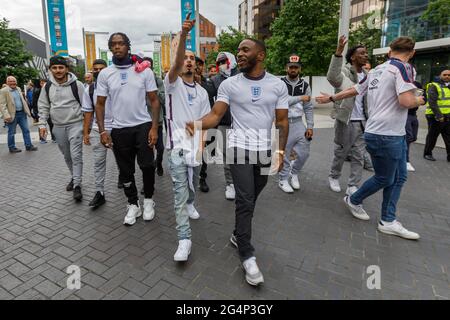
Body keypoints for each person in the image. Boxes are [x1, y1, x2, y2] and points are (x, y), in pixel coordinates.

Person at [187, 38, 289, 286]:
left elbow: (283, 121)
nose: (239, 54)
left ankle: (237, 233)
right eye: (238, 50)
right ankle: (247, 253)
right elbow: (216, 114)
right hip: (238, 148)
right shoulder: (230, 84)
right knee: (244, 199)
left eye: (245, 50)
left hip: (265, 149)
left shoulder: (277, 85)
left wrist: (280, 152)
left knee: (253, 194)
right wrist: (196, 124)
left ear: (261, 55)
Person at [316, 36, 425, 240]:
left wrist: (331, 98)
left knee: (399, 177)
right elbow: (405, 101)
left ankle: (387, 219)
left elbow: (356, 89)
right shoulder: (404, 68)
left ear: (390, 50)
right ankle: (356, 200)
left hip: (385, 132)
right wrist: (419, 98)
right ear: (412, 53)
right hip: (387, 134)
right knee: (385, 177)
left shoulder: (375, 70)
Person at [95, 32, 160, 226]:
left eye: (121, 43)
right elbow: (99, 104)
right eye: (113, 44)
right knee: (125, 171)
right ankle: (133, 203)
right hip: (119, 129)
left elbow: (155, 101)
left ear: (128, 46)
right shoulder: (105, 74)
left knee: (148, 165)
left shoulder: (144, 71)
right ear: (110, 48)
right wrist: (102, 131)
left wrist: (154, 128)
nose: (117, 47)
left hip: (142, 126)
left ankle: (148, 200)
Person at [165, 15, 211, 262]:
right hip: (176, 149)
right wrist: (183, 35)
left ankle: (192, 203)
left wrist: (201, 146)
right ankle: (184, 239)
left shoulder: (203, 92)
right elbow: (175, 65)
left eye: (193, 58)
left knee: (191, 188)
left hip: (195, 149)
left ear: (197, 65)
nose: (189, 61)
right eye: (186, 58)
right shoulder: (172, 84)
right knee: (180, 192)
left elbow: (205, 122)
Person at [327, 36, 370, 197]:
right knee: (342, 151)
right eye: (362, 53)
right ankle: (334, 176)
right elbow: (333, 77)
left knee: (359, 155)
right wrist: (338, 52)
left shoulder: (367, 74)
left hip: (363, 121)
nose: (366, 56)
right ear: (353, 57)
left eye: (366, 53)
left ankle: (353, 184)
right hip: (346, 119)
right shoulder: (345, 71)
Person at [38, 56, 85, 202]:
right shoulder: (47, 87)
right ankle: (74, 176)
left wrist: (89, 126)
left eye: (61, 67)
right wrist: (42, 124)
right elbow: (43, 106)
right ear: (50, 69)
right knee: (67, 155)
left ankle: (77, 185)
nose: (58, 70)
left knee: (76, 154)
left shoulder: (77, 85)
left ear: (66, 69)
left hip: (76, 124)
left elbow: (86, 106)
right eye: (55, 68)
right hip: (58, 126)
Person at [278, 54, 314, 193]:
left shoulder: (304, 85)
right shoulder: (280, 83)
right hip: (283, 122)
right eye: (291, 67)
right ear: (286, 68)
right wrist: (300, 98)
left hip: (299, 122)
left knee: (304, 152)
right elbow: (282, 102)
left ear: (300, 69)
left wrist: (310, 126)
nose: (293, 69)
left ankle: (294, 173)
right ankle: (283, 179)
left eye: (296, 67)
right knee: (284, 153)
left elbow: (308, 107)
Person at [208, 51, 240, 200]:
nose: (221, 65)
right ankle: (230, 184)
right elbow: (207, 94)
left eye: (224, 61)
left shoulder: (242, 75)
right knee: (228, 155)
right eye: (219, 62)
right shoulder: (215, 79)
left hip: (243, 123)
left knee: (243, 155)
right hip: (224, 123)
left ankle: (242, 181)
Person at [82, 59, 112, 208]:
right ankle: (99, 192)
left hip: (118, 129)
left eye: (102, 69)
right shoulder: (90, 89)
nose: (99, 71)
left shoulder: (115, 86)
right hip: (97, 129)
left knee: (123, 161)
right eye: (96, 69)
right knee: (98, 162)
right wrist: (85, 132)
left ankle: (126, 186)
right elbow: (88, 112)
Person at [0, 76, 38, 153]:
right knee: (11, 132)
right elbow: (2, 104)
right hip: (12, 115)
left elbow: (22, 100)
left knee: (26, 130)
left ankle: (28, 145)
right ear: (7, 82)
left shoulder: (18, 89)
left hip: (22, 113)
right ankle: (12, 147)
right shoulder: (3, 91)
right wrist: (6, 115)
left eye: (14, 81)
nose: (12, 83)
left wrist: (27, 110)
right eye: (10, 81)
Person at [143, 56, 166, 177]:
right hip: (143, 121)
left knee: (160, 148)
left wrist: (153, 89)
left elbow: (163, 99)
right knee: (147, 151)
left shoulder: (158, 81)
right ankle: (149, 176)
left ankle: (159, 163)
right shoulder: (138, 81)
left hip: (158, 121)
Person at [423, 69, 450, 162]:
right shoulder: (433, 85)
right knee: (432, 136)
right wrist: (439, 116)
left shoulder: (449, 86)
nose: (447, 76)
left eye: (449, 75)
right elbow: (432, 102)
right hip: (434, 116)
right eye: (445, 75)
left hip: (447, 116)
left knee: (448, 137)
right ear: (440, 75)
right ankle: (427, 153)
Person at [405, 80, 424, 172]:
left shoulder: (417, 84)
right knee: (408, 137)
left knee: (413, 137)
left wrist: (416, 100)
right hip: (405, 114)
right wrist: (416, 100)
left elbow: (424, 99)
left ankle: (399, 156)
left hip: (413, 115)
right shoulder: (403, 82)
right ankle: (406, 161)